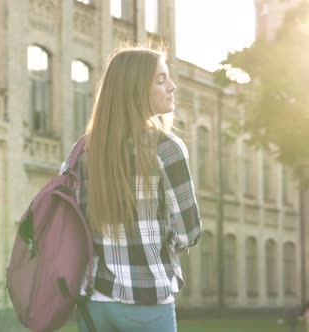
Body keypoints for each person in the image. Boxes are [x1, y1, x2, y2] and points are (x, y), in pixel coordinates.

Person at [59, 46, 202, 332]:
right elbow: (190, 232)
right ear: (135, 90)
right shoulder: (167, 149)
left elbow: (69, 219)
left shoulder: (82, 150)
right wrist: (159, 242)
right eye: (161, 80)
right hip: (146, 302)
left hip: (94, 303)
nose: (172, 86)